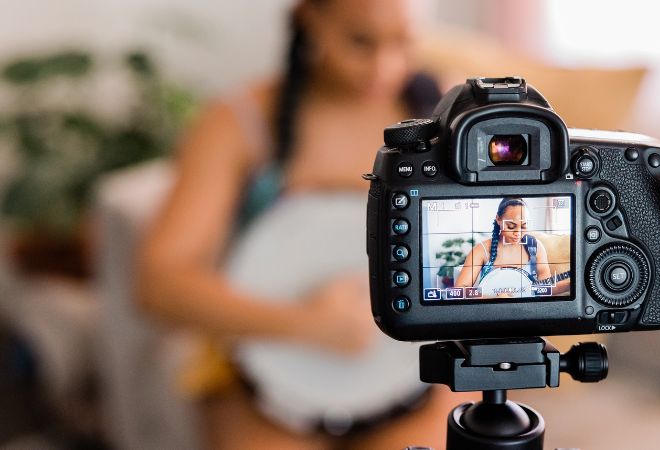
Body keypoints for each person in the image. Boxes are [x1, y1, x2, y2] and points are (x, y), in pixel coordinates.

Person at [136, 0, 471, 448]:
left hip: (418, 387)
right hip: (262, 394)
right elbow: (160, 285)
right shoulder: (239, 123)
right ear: (309, 20)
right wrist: (306, 324)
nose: (384, 67)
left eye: (404, 41)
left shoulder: (450, 114)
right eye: (361, 41)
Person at [454, 197, 571, 297]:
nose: (518, 233)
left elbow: (545, 289)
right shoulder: (481, 251)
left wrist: (572, 284)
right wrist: (492, 298)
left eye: (524, 226)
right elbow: (460, 290)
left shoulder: (535, 247)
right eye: (511, 226)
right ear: (498, 219)